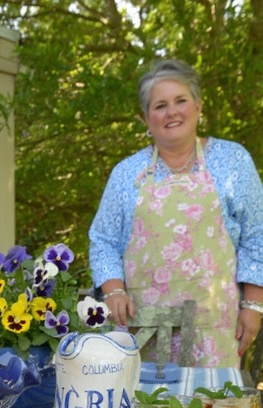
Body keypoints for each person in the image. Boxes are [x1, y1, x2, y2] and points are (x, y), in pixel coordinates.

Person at [89, 58, 263, 367]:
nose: (172, 112)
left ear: (197, 106)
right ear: (146, 118)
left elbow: (257, 234)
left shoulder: (233, 160)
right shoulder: (127, 174)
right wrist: (114, 291)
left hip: (215, 331)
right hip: (141, 333)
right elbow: (103, 239)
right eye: (160, 105)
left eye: (180, 101)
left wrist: (253, 305)